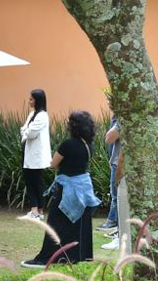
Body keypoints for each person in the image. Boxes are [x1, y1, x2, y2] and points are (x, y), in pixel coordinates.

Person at [22, 111, 101, 268]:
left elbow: (53, 164)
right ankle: (79, 256)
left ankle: (47, 257)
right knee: (78, 225)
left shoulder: (68, 144)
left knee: (55, 224)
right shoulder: (88, 145)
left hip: (66, 188)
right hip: (82, 188)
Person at [20, 89, 51, 220]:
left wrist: (26, 132)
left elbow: (31, 133)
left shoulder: (42, 116)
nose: (29, 101)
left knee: (35, 181)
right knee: (31, 180)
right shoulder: (32, 114)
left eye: (31, 99)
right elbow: (24, 129)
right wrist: (26, 132)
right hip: (29, 153)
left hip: (36, 155)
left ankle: (36, 210)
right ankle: (36, 210)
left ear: (38, 100)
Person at [98, 116, 120, 231]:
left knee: (116, 195)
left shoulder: (123, 119)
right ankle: (115, 223)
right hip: (118, 162)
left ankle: (112, 220)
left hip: (119, 163)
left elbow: (109, 138)